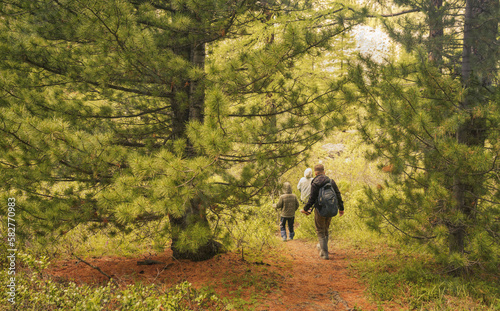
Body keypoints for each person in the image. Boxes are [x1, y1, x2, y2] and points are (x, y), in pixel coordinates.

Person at [301, 164, 344, 259]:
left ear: (315, 173)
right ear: (324, 172)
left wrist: (305, 209)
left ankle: (324, 254)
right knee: (325, 230)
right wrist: (341, 208)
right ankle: (322, 247)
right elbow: (338, 194)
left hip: (320, 209)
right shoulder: (331, 181)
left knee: (320, 231)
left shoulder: (315, 182)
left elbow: (312, 198)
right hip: (331, 209)